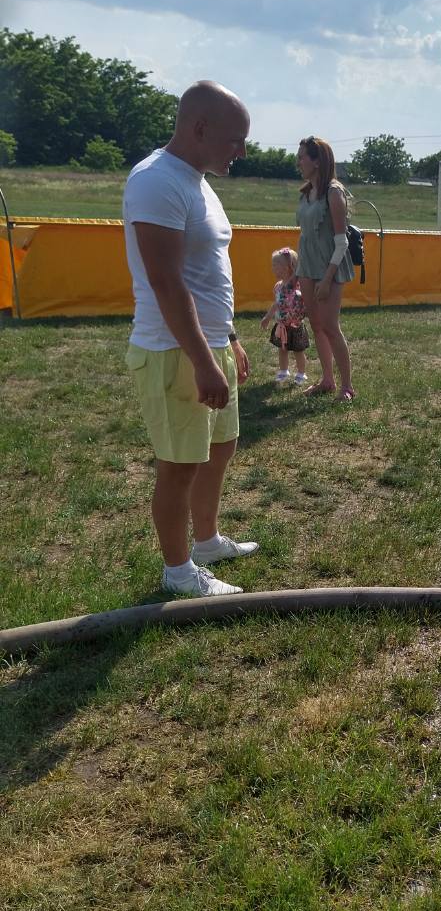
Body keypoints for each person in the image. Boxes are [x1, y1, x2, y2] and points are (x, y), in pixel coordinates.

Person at [123, 80, 259, 597]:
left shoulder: (198, 180)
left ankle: (206, 541)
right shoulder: (156, 181)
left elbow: (208, 273)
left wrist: (229, 339)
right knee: (179, 464)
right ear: (200, 128)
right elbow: (166, 281)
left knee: (220, 447)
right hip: (174, 350)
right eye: (236, 140)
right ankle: (179, 572)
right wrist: (203, 361)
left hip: (209, 344)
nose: (242, 152)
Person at [295, 136, 356, 400]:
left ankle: (347, 386)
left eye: (302, 157)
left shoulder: (334, 193)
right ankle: (327, 380)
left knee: (331, 326)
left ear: (317, 161)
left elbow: (342, 242)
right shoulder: (306, 192)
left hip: (330, 267)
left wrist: (327, 279)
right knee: (317, 325)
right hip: (307, 266)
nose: (298, 162)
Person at [259, 246, 309, 384]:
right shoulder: (278, 286)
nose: (273, 268)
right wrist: (267, 317)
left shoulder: (296, 284)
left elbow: (298, 271)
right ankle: (283, 370)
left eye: (276, 265)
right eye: (273, 265)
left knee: (298, 351)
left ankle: (301, 373)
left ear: (288, 267)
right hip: (281, 325)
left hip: (296, 325)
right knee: (282, 349)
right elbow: (277, 304)